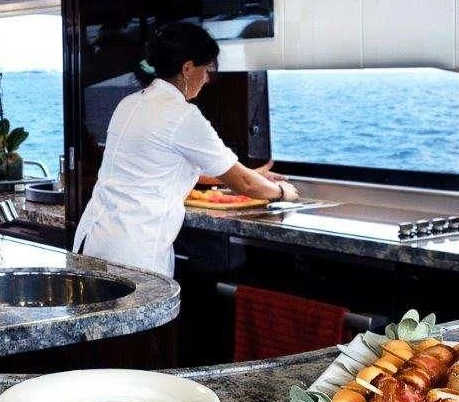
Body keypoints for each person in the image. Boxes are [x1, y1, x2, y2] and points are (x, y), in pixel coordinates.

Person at [73, 21, 298, 276]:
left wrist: (253, 175)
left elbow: (160, 167)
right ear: (188, 68)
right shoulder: (183, 115)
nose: (207, 78)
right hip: (134, 252)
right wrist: (281, 192)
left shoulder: (130, 103)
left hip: (95, 240)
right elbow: (243, 184)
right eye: (206, 69)